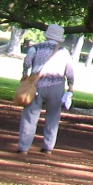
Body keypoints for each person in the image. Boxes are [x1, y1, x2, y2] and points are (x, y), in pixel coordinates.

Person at [17, 24, 75, 155]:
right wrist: (71, 87)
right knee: (53, 116)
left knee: (30, 115)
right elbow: (69, 71)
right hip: (57, 84)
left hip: (36, 84)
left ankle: (23, 147)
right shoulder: (64, 52)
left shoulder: (36, 48)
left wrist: (25, 74)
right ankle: (48, 146)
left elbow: (27, 63)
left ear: (47, 35)